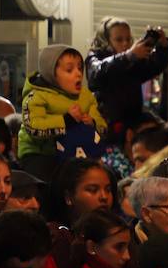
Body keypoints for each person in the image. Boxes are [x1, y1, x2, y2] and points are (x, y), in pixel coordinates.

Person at [17, 45, 107, 179]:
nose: (78, 73)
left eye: (80, 68)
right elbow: (34, 127)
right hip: (42, 153)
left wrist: (92, 123)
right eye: (69, 70)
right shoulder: (36, 96)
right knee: (43, 181)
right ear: (51, 73)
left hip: (77, 154)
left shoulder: (86, 96)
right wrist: (66, 120)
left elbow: (102, 126)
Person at [85, 17, 168, 149]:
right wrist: (128, 56)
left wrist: (164, 46)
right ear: (106, 40)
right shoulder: (96, 56)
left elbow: (155, 65)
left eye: (128, 39)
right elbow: (97, 73)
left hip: (132, 128)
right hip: (107, 128)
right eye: (119, 40)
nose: (125, 43)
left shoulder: (133, 61)